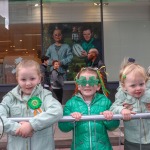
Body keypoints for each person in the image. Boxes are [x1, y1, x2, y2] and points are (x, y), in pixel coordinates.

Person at [0, 59, 63, 150]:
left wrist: (32, 125)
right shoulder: (10, 98)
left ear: (39, 78)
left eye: (32, 78)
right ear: (17, 79)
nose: (28, 83)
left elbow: (57, 111)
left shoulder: (45, 96)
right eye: (23, 79)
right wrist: (17, 129)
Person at [58, 67, 119, 150]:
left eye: (91, 81)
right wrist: (71, 119)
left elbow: (114, 126)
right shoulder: (71, 103)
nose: (87, 85)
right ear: (78, 86)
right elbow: (63, 127)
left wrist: (109, 118)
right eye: (83, 81)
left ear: (98, 86)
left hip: (102, 147)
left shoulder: (105, 102)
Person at [110, 58, 150, 150]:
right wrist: (122, 110)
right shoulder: (122, 95)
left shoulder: (148, 93)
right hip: (132, 140)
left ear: (145, 82)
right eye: (133, 85)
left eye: (141, 84)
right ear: (124, 86)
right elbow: (113, 108)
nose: (138, 88)